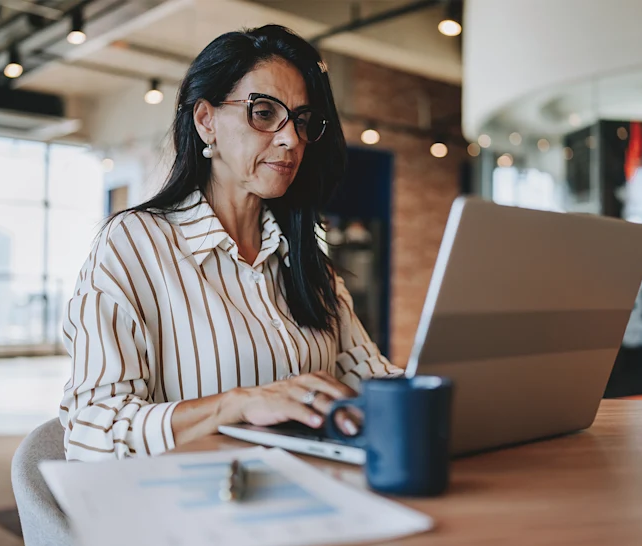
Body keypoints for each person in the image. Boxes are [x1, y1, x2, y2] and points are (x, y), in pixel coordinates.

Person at [59, 25, 400, 461]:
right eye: (263, 112)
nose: (291, 138)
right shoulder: (136, 244)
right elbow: (92, 431)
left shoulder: (309, 262)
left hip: (318, 498)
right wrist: (238, 404)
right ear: (206, 121)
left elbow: (373, 378)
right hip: (199, 508)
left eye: (301, 120)